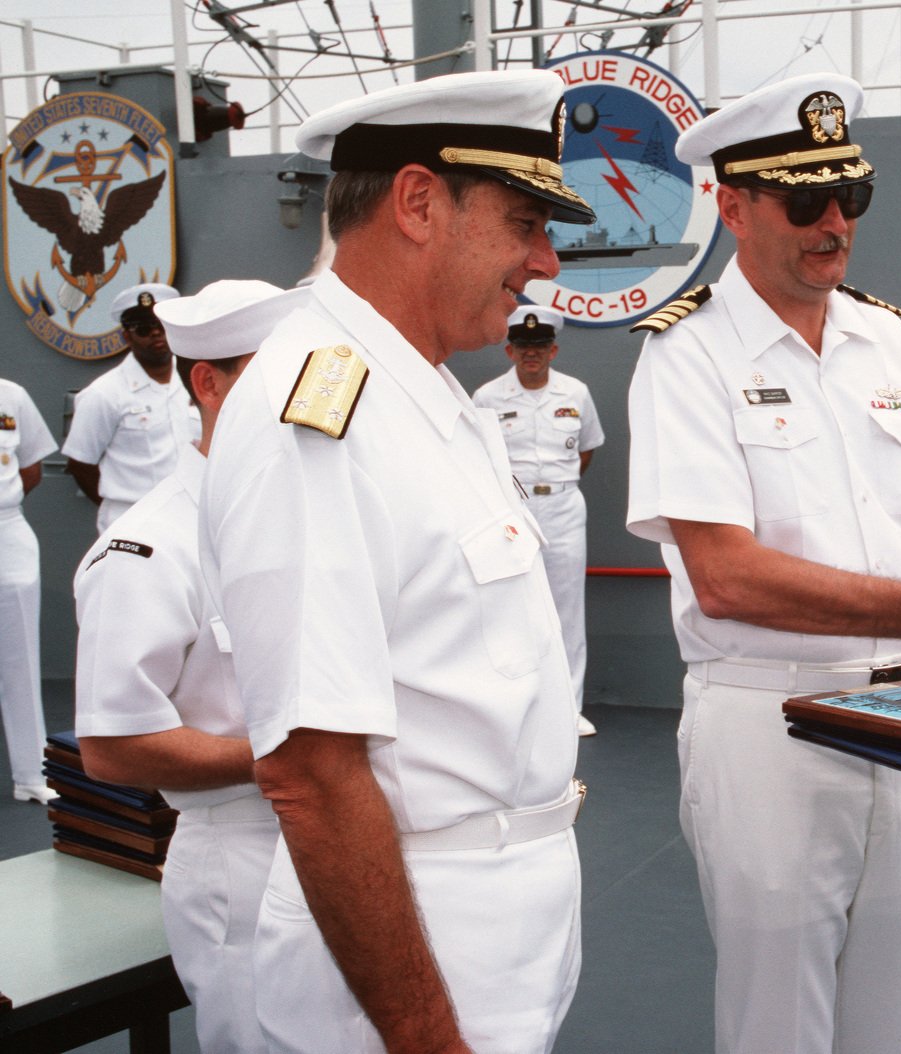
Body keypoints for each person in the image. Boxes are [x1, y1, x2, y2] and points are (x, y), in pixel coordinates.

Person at [626, 73, 901, 1054]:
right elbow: (727, 576)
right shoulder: (687, 356)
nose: (835, 224)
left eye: (850, 197)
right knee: (779, 1023)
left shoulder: (885, 338)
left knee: (893, 1017)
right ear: (732, 206)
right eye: (805, 202)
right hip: (771, 726)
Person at [199, 70, 596, 1054]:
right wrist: (427, 1036)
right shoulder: (315, 406)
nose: (544, 259)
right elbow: (310, 770)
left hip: (495, 934)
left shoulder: (428, 400)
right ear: (419, 202)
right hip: (410, 977)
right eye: (522, 221)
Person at [74, 279, 304, 1053]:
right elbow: (114, 745)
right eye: (271, 373)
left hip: (348, 838)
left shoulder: (315, 513)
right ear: (208, 382)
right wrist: (296, 760)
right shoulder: (149, 548)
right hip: (241, 852)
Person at [474, 305, 604, 736]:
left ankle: (568, 709)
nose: (533, 355)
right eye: (525, 347)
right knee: (511, 606)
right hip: (513, 510)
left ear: (554, 350)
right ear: (510, 351)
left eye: (541, 347)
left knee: (568, 610)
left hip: (564, 507)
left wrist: (555, 487)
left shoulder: (576, 393)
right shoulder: (487, 398)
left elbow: (586, 449)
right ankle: (515, 708)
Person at [62, 283, 200, 533]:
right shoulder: (104, 393)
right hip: (134, 522)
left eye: (162, 326)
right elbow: (81, 464)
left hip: (194, 517)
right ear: (127, 335)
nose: (156, 334)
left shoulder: (198, 380)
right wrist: (123, 509)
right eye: (145, 329)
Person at [0, 377, 56, 803]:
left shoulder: (11, 395)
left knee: (19, 658)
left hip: (7, 529)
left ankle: (31, 774)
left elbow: (30, 466)